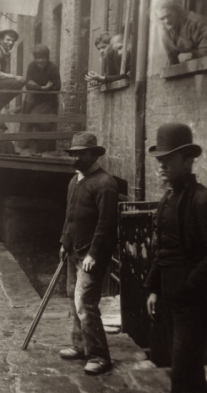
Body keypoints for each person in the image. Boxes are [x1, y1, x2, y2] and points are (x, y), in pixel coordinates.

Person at [144, 123, 207, 393]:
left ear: (188, 161)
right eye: (160, 160)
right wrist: (155, 288)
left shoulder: (206, 201)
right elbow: (163, 249)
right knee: (182, 370)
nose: (162, 166)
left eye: (170, 159)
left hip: (195, 301)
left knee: (184, 370)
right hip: (171, 297)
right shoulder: (167, 200)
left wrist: (189, 288)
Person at [59, 132, 118, 376]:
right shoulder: (75, 181)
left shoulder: (105, 184)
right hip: (74, 249)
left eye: (81, 154)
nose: (76, 158)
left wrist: (94, 253)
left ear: (94, 154)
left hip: (91, 255)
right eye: (74, 154)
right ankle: (80, 345)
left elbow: (106, 224)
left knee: (85, 303)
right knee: (74, 297)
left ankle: (99, 356)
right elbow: (69, 216)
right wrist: (64, 241)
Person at [21, 45, 61, 153]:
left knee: (41, 123)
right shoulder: (31, 66)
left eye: (43, 57)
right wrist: (43, 87)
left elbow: (57, 86)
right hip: (33, 100)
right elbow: (28, 84)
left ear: (47, 57)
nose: (40, 61)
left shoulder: (53, 68)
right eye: (37, 58)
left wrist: (37, 86)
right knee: (27, 122)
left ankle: (45, 151)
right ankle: (28, 149)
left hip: (48, 101)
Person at [154, 0, 207, 65]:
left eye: (169, 15)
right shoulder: (165, 32)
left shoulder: (197, 23)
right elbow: (173, 61)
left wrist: (191, 55)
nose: (167, 21)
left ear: (177, 11)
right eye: (162, 18)